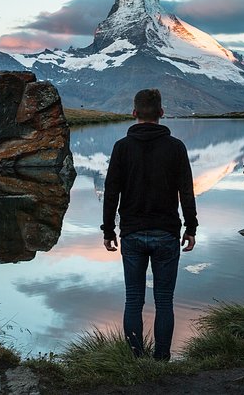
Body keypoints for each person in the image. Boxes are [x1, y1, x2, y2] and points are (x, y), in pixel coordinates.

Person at [101, 88, 198, 361]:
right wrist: (191, 228)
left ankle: (136, 359)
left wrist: (108, 230)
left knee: (133, 300)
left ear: (134, 114)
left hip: (131, 233)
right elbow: (186, 192)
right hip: (166, 233)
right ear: (161, 113)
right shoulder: (176, 147)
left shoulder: (121, 147)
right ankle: (162, 360)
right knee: (164, 301)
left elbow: (111, 192)